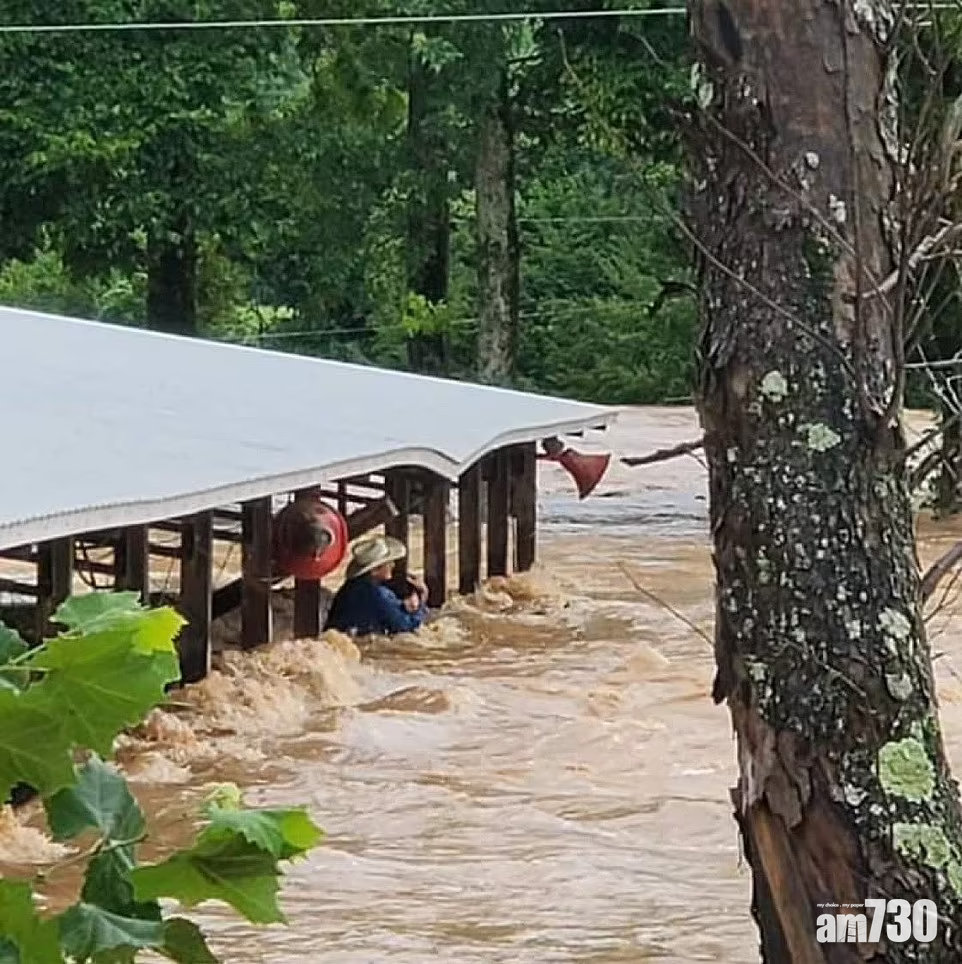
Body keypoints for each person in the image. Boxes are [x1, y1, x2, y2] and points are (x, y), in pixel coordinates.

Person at [324, 535, 429, 637]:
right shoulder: (378, 594)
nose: (393, 565)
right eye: (388, 562)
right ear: (374, 570)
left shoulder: (349, 587)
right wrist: (421, 603)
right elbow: (406, 627)